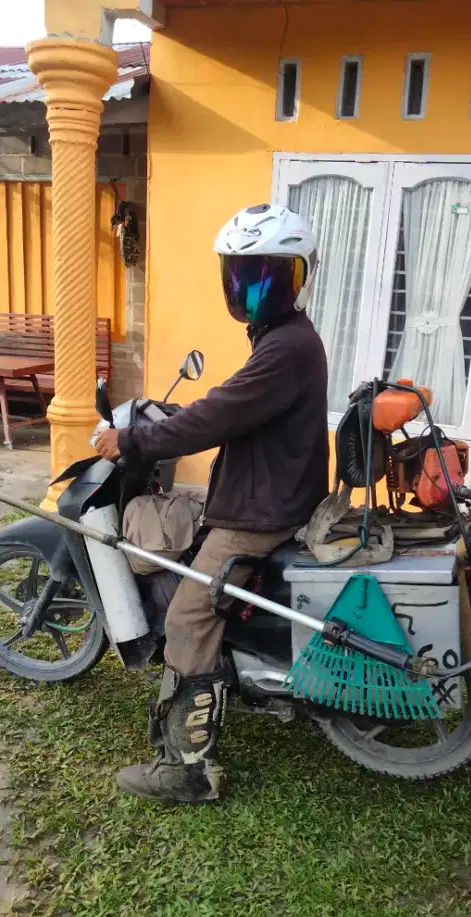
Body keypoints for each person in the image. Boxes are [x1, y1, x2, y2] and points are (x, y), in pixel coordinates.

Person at [93, 203, 329, 803]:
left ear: (299, 278)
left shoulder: (287, 347)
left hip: (263, 512)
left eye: (268, 277)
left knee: (188, 616)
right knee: (187, 521)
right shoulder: (283, 339)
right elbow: (233, 406)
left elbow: (223, 412)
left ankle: (188, 770)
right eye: (243, 276)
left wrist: (134, 439)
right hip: (270, 493)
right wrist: (179, 417)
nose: (252, 291)